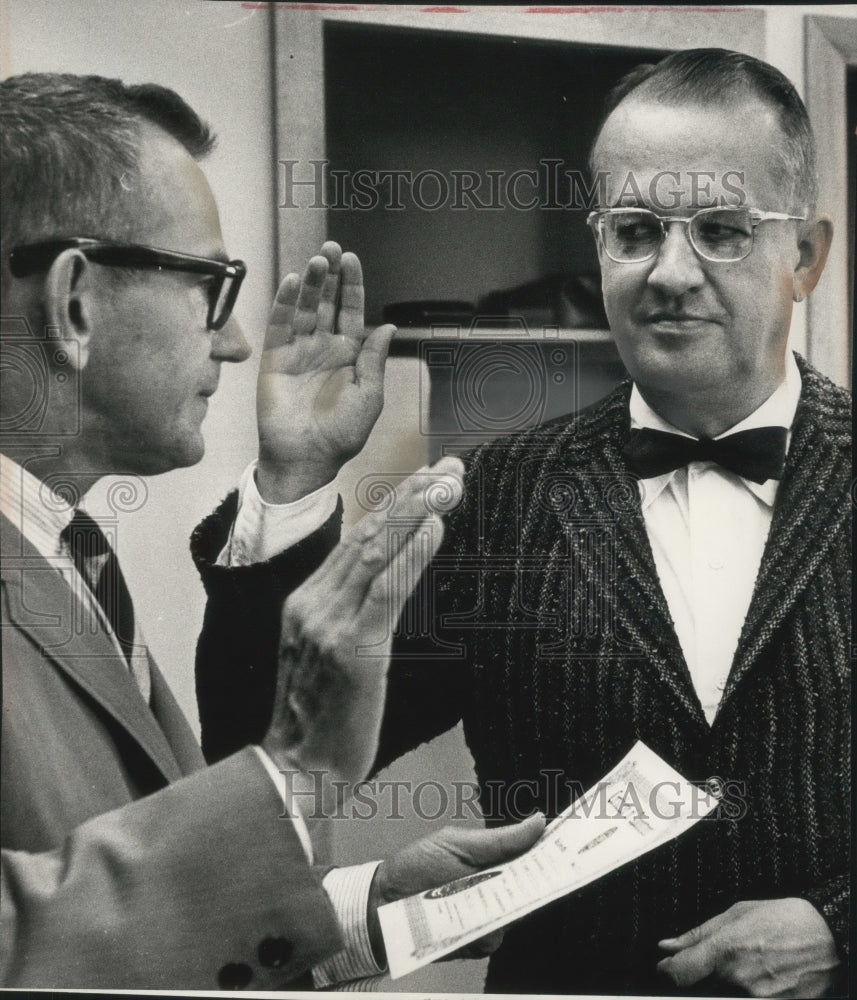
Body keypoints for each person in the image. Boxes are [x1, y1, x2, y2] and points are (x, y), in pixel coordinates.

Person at [197, 49, 851, 996]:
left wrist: (840, 926)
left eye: (719, 228)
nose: (669, 272)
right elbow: (264, 762)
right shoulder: (498, 496)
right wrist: (293, 481)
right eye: (634, 229)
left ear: (805, 256)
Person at [0, 72, 546, 990]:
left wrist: (357, 907)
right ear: (76, 304)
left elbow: (122, 890)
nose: (237, 344)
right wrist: (297, 772)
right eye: (210, 288)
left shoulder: (72, 556)